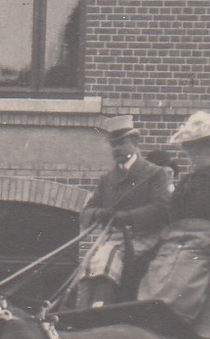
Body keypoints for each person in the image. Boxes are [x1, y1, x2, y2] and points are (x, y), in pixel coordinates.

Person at [136, 111, 210, 339]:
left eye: (199, 147)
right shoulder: (187, 180)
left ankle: (173, 317)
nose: (193, 154)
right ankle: (152, 314)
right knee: (160, 265)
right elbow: (171, 212)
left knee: (186, 267)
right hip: (178, 237)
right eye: (190, 148)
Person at [73, 124, 172, 308]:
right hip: (114, 239)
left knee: (107, 255)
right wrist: (99, 213)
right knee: (90, 259)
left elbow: (162, 209)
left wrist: (128, 217)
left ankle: (100, 309)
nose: (116, 149)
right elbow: (86, 212)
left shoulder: (154, 173)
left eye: (121, 144)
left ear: (134, 143)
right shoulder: (107, 179)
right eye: (113, 145)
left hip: (144, 237)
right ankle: (82, 308)